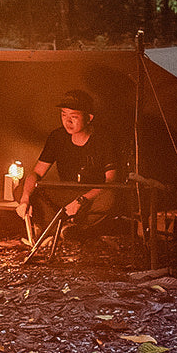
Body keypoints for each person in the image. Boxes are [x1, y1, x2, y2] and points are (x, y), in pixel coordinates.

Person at [16, 89, 118, 244]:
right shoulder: (57, 137)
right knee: (23, 187)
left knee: (109, 196)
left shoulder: (102, 139)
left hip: (91, 194)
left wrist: (81, 200)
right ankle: (64, 228)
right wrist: (25, 199)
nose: (67, 121)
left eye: (74, 117)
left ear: (89, 118)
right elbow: (36, 173)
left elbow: (110, 181)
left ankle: (59, 227)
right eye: (64, 115)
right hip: (65, 193)